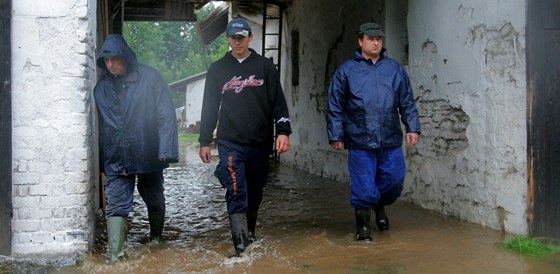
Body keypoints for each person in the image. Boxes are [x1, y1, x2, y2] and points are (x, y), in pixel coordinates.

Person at [199, 18, 292, 257]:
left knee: (255, 192)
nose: (237, 42)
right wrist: (204, 141)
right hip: (231, 142)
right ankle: (240, 248)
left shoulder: (265, 67)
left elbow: (278, 102)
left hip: (260, 141)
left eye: (241, 37)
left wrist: (283, 131)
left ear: (250, 37)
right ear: (228, 39)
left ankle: (249, 234)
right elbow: (209, 107)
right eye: (233, 38)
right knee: (236, 188)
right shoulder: (218, 69)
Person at [326, 23, 421, 241]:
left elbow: (406, 101)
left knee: (395, 180)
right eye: (370, 38)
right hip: (359, 138)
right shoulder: (346, 70)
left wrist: (412, 127)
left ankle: (379, 205)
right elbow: (335, 105)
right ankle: (363, 229)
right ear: (360, 41)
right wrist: (336, 134)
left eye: (379, 38)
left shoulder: (395, 69)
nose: (376, 42)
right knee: (363, 184)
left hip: (389, 137)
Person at [93, 34, 179, 264]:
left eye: (114, 59)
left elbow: (165, 113)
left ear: (125, 57)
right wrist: (101, 160)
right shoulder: (101, 88)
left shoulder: (150, 78)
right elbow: (101, 126)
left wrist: (166, 148)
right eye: (106, 60)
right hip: (116, 155)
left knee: (153, 196)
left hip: (147, 150)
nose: (110, 65)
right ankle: (116, 257)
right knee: (117, 203)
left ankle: (156, 239)